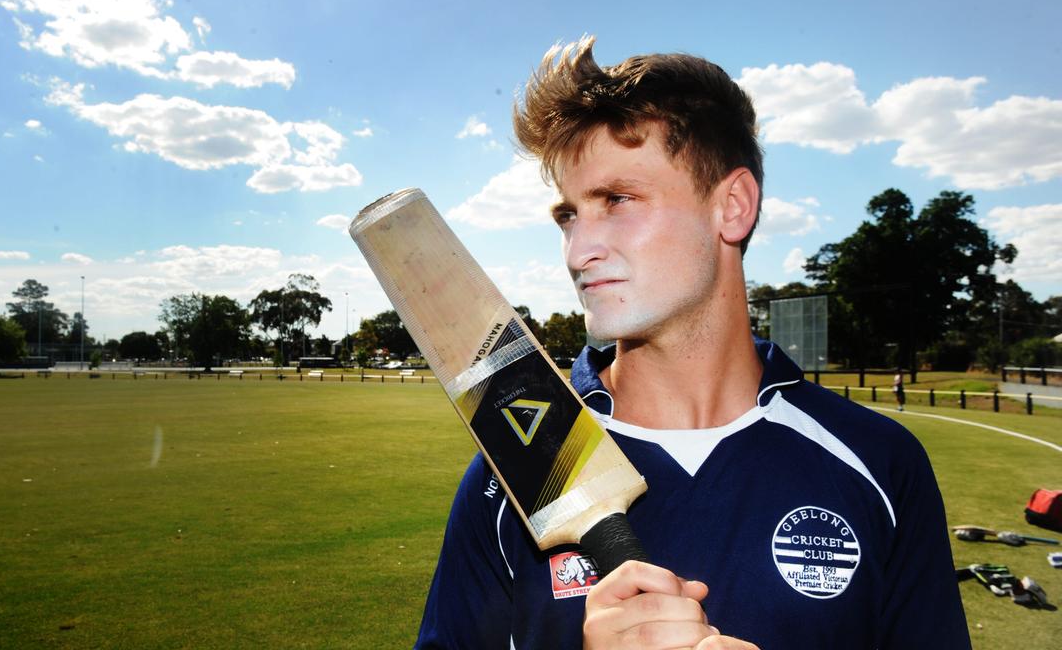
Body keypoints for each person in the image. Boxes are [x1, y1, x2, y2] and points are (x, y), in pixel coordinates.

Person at [414, 37, 969, 650]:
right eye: (569, 215)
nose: (578, 253)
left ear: (732, 206)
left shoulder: (880, 461)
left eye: (618, 201)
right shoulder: (516, 472)